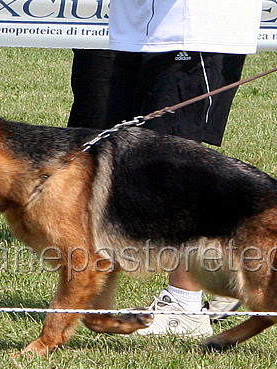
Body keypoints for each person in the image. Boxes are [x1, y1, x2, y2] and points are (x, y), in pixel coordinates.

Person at [105, 0, 262, 337]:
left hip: (194, 31)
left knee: (177, 175)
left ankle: (186, 305)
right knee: (124, 163)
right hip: (135, 29)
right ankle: (221, 280)